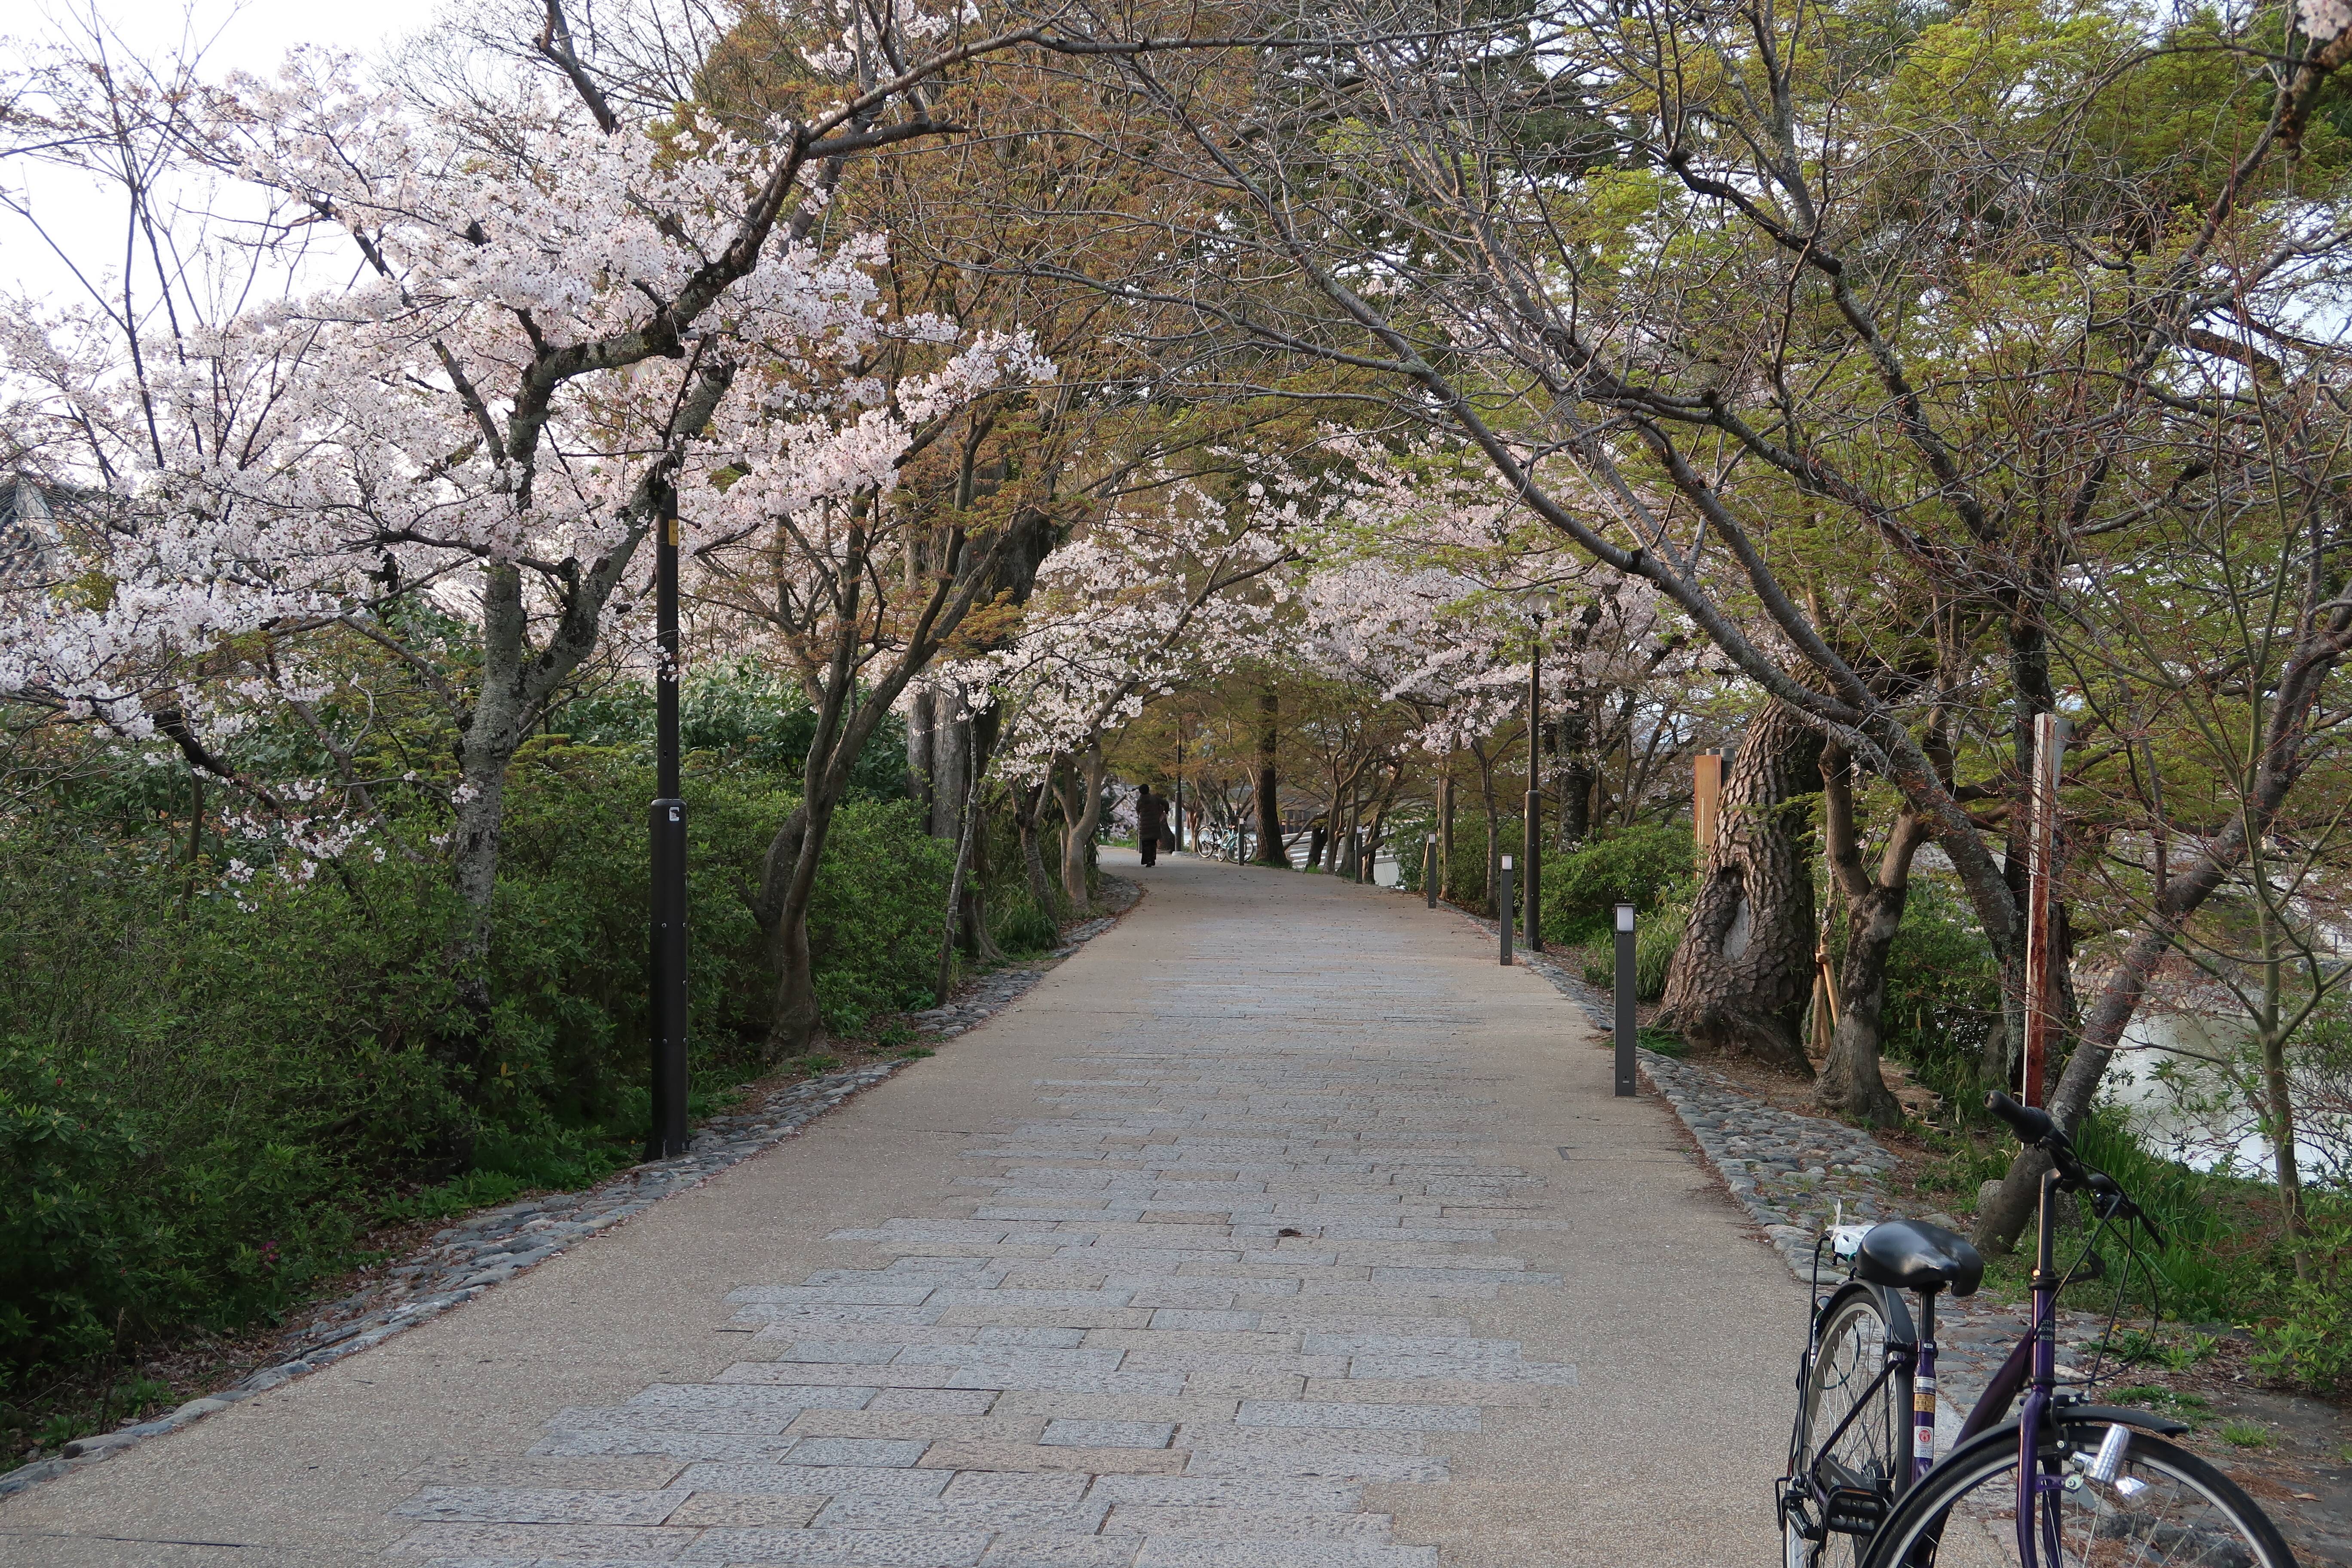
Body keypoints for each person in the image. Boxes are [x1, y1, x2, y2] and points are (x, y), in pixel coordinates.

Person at [1136, 785, 1169, 867]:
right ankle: (1152, 859)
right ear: (1148, 790)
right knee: (1153, 843)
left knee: (1146, 844)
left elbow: (1138, 810)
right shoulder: (1155, 799)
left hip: (1144, 825)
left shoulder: (1140, 801)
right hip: (1154, 823)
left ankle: (1148, 861)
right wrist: (1166, 811)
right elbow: (1166, 803)